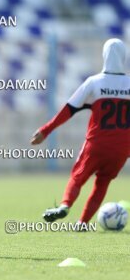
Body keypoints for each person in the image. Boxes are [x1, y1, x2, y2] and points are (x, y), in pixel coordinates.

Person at [31, 38, 130, 225]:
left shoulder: (94, 82)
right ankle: (83, 222)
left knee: (78, 177)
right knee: (103, 182)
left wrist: (45, 130)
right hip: (123, 147)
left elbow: (69, 109)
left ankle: (64, 205)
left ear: (104, 55)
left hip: (97, 143)